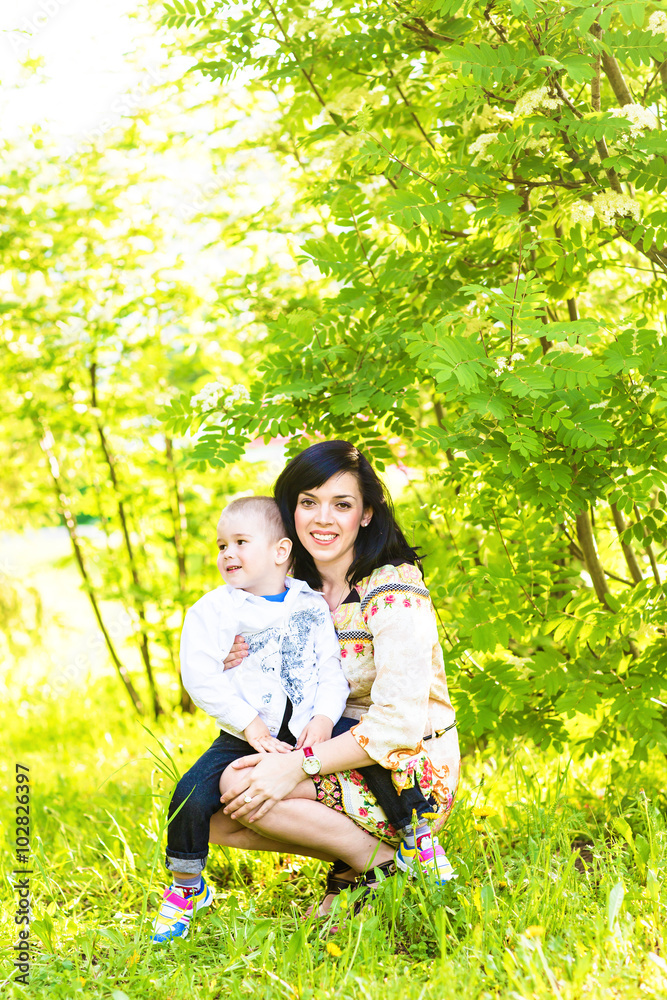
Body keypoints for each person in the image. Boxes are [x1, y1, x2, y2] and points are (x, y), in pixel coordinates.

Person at [209, 440, 459, 916]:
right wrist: (233, 661)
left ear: (364, 515)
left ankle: (387, 863)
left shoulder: (393, 590)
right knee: (208, 814)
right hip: (320, 745)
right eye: (309, 502)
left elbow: (397, 727)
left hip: (406, 769)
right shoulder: (282, 588)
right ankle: (372, 864)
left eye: (341, 505)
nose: (323, 519)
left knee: (241, 790)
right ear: (291, 510)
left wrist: (295, 767)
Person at [151, 495, 349, 942]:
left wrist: (323, 719)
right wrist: (249, 724)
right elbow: (198, 676)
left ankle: (415, 833)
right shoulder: (215, 610)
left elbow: (330, 669)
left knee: (371, 752)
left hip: (308, 728)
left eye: (241, 542)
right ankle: (186, 887)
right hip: (243, 735)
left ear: (280, 551)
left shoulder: (309, 604)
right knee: (189, 796)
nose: (227, 554)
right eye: (222, 545)